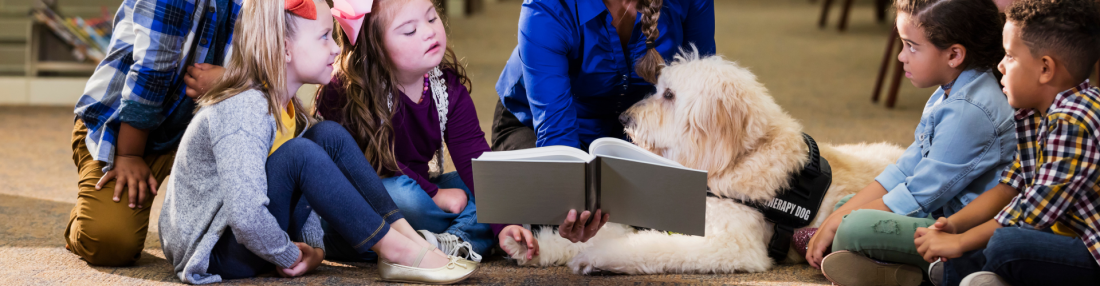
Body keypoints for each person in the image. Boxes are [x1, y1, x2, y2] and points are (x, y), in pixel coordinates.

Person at [159, 0, 477, 283]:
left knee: (327, 135)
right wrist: (287, 255)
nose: (337, 48)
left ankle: (407, 238)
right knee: (299, 153)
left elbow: (308, 189)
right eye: (325, 36)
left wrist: (314, 249)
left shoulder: (286, 106)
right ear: (285, 49)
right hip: (217, 252)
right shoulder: (245, 108)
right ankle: (395, 249)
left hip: (254, 238)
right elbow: (246, 218)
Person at [806, 1, 1015, 285]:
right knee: (843, 207)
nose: (902, 57)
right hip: (942, 208)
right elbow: (904, 170)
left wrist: (840, 222)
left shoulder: (971, 110)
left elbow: (918, 194)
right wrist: (839, 214)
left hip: (967, 230)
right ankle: (895, 270)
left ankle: (923, 269)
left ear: (954, 54)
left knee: (853, 228)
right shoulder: (949, 92)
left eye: (911, 47)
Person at [491, 0, 715, 257]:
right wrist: (570, 202)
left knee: (679, 211)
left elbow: (700, 95)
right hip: (535, 124)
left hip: (637, 127)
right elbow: (557, 139)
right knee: (561, 215)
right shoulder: (545, 6)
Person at [913, 0, 1100, 285]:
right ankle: (968, 274)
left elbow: (1032, 211)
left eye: (1010, 56)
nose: (1000, 65)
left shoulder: (1072, 122)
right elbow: (1012, 185)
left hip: (1093, 249)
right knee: (986, 235)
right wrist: (955, 225)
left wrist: (960, 242)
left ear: (1046, 69)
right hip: (1067, 230)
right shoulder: (1035, 113)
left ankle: (968, 273)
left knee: (1006, 243)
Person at [314, 0, 508, 261]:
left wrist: (506, 225)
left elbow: (476, 159)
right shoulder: (346, 89)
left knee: (497, 180)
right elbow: (367, 169)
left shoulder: (446, 87)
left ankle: (446, 244)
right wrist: (435, 195)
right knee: (405, 197)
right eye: (409, 31)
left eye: (431, 18)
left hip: (420, 195)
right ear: (376, 49)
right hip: (358, 211)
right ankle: (460, 236)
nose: (429, 31)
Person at [67, 0, 241, 266]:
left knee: (241, 241)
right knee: (109, 242)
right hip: (125, 128)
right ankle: (85, 216)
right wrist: (129, 154)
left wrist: (233, 78)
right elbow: (152, 69)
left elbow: (279, 61)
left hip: (200, 132)